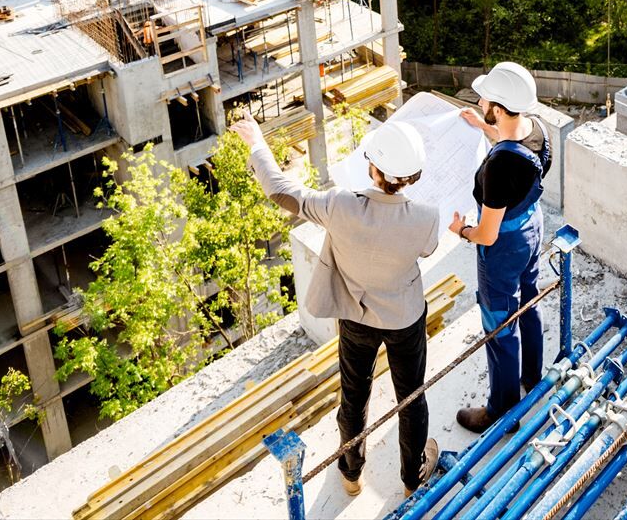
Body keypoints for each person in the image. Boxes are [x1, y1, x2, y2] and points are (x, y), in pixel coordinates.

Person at [230, 116, 441, 496]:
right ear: (412, 176)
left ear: (373, 167)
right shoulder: (426, 217)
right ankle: (413, 479)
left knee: (354, 395)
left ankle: (351, 473)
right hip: (404, 319)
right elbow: (427, 250)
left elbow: (280, 191)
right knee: (411, 398)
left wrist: (257, 143)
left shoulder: (340, 205)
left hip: (355, 317)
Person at [448, 61, 551, 433]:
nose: (480, 102)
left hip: (504, 245)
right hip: (532, 227)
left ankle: (502, 411)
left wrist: (462, 230)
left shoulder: (498, 167)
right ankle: (533, 377)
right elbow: (513, 146)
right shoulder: (537, 129)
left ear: (500, 107)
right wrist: (484, 127)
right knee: (529, 300)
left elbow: (487, 234)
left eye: (486, 100)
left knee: (499, 323)